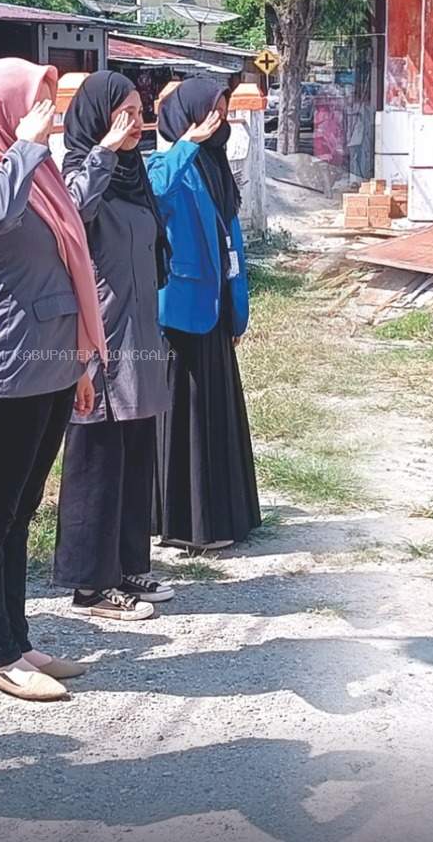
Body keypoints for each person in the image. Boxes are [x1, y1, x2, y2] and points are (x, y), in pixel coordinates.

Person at [0, 58, 101, 702]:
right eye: (34, 103)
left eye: (48, 104)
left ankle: (18, 641)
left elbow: (66, 261)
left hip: (50, 368)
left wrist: (79, 362)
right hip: (1, 372)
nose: (45, 116)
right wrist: (26, 147)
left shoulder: (38, 175)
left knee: (19, 514)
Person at [55, 71, 173, 621]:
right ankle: (89, 586)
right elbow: (74, 215)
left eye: (138, 110)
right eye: (121, 112)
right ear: (97, 117)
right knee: (96, 462)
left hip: (141, 334)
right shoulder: (76, 171)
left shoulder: (132, 173)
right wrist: (103, 150)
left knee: (133, 456)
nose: (133, 121)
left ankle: (127, 566)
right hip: (99, 335)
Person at [152, 79, 260, 550]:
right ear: (188, 116)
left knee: (216, 413)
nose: (220, 122)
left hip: (216, 309)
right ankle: (183, 524)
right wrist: (187, 144)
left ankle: (221, 518)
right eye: (212, 112)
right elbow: (155, 194)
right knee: (185, 415)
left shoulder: (216, 166)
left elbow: (231, 243)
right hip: (181, 312)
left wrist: (238, 310)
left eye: (225, 112)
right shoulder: (167, 162)